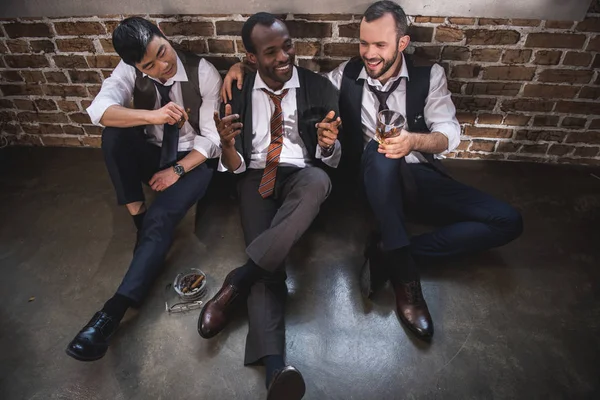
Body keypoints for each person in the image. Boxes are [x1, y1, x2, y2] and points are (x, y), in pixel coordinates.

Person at [221, 1, 523, 341]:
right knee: (380, 152)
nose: (370, 53)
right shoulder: (343, 76)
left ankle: (392, 252)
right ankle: (406, 279)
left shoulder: (429, 75)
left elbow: (448, 134)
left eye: (380, 45)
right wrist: (242, 68)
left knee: (507, 221)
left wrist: (412, 142)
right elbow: (290, 77)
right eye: (364, 43)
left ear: (402, 44)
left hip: (419, 177)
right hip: (372, 181)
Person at [197, 12, 341, 400]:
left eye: (287, 45)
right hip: (254, 176)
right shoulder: (237, 92)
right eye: (271, 51)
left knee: (319, 181)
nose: (283, 57)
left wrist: (327, 145)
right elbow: (235, 166)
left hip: (301, 174)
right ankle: (275, 367)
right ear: (251, 57)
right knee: (270, 256)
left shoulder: (319, 87)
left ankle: (238, 280)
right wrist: (227, 147)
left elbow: (331, 161)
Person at [65, 17, 222, 361]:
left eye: (163, 54)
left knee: (163, 218)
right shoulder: (128, 71)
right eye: (149, 65)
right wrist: (153, 117)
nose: (163, 66)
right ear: (135, 64)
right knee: (113, 137)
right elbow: (100, 111)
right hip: (153, 149)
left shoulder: (203, 72)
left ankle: (111, 313)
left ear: (163, 36)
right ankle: (139, 220)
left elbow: (213, 140)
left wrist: (176, 171)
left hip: (193, 158)